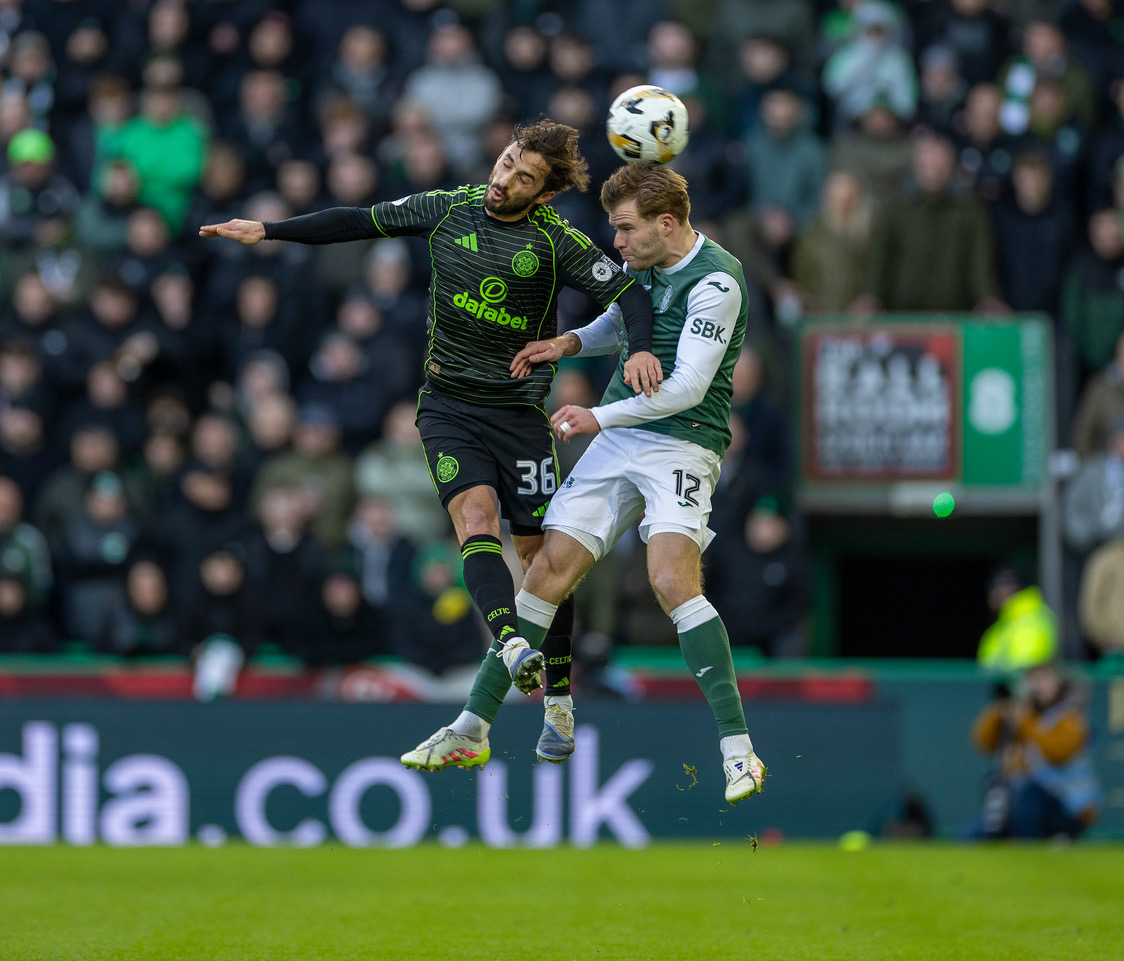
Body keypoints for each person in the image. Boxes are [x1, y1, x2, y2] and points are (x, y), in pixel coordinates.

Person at [201, 118, 660, 706]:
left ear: (543, 194)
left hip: (518, 416)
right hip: (448, 407)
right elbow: (356, 221)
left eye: (522, 179)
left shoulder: (555, 242)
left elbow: (629, 294)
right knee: (473, 520)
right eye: (504, 164)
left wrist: (640, 348)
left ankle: (559, 692)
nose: (503, 181)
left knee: (540, 560)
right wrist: (267, 230)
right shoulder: (447, 207)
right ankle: (511, 644)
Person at [401, 164, 766, 806]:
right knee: (544, 570)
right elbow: (620, 326)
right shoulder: (642, 261)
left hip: (684, 443)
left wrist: (595, 415)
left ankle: (739, 751)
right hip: (622, 435)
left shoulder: (717, 282)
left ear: (667, 224)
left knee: (670, 579)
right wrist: (566, 343)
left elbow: (685, 388)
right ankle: (472, 727)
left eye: (625, 231)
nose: (616, 244)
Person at [966, 663, 1100, 839]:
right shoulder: (1023, 714)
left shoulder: (1070, 716)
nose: (1038, 686)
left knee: (1032, 793)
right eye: (1033, 680)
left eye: (1044, 679)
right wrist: (1000, 712)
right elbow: (984, 744)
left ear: (1057, 683)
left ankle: (1026, 847)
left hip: (1068, 809)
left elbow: (1057, 752)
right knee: (971, 835)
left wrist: (1024, 722)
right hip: (1021, 807)